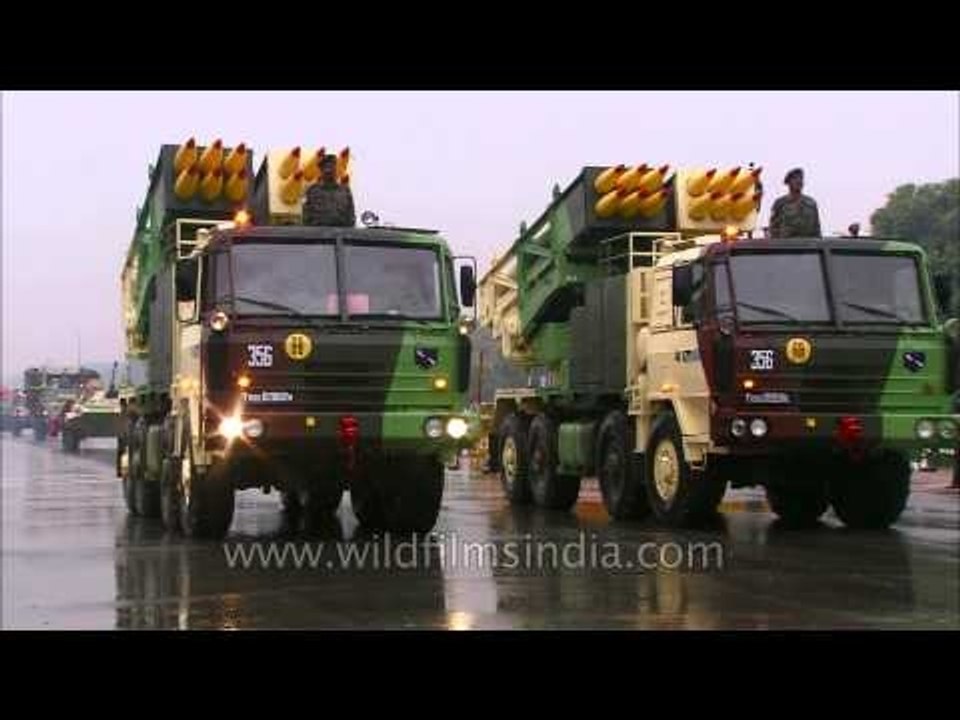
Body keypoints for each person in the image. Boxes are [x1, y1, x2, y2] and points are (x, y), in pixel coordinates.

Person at [302, 154, 356, 227]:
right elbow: (306, 216)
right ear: (321, 170)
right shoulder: (312, 191)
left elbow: (351, 214)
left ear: (335, 169)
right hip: (318, 233)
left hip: (341, 233)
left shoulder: (345, 191)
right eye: (326, 167)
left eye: (331, 167)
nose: (329, 170)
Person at [769, 168, 821, 238]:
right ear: (788, 183)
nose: (799, 181)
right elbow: (773, 228)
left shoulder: (811, 203)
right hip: (787, 245)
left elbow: (817, 227)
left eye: (801, 178)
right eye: (795, 179)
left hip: (808, 245)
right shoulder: (780, 203)